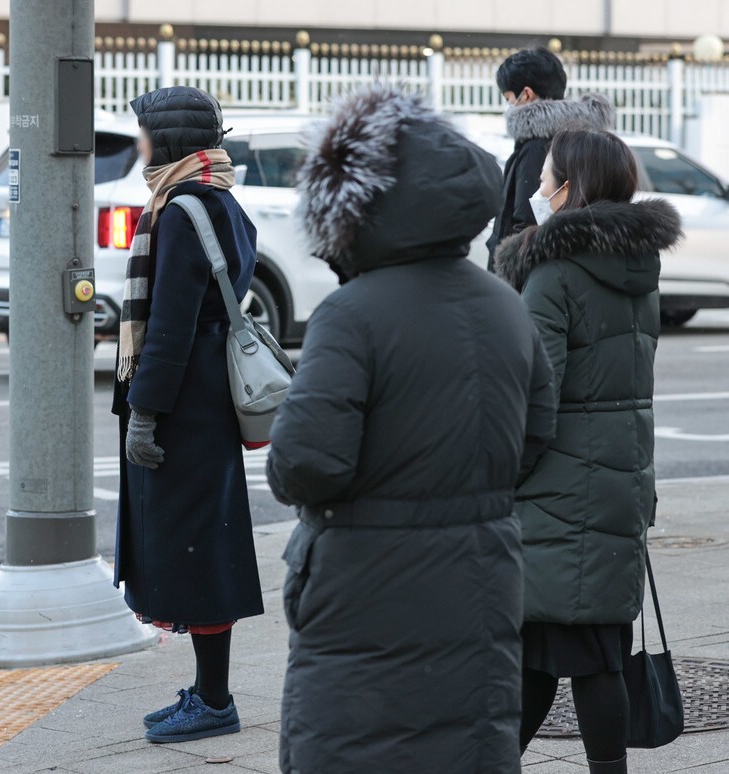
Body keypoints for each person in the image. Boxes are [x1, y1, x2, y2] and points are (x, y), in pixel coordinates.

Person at [266, 85, 558, 774]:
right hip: (482, 569)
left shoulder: (351, 313)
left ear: (351, 208)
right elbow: (538, 430)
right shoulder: (503, 304)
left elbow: (306, 464)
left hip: (365, 581)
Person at [494, 130, 683, 773]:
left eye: (545, 177)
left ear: (570, 188)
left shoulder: (551, 273)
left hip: (556, 490)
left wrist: (500, 479)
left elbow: (533, 400)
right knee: (595, 652)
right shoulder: (638, 269)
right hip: (617, 484)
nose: (535, 190)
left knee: (536, 658)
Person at [111, 85, 264, 745]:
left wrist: (145, 413)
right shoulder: (222, 199)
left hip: (184, 407)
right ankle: (207, 691)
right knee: (203, 545)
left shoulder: (180, 209)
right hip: (207, 401)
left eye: (146, 133)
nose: (141, 143)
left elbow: (170, 325)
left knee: (192, 553)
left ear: (168, 140)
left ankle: (215, 701)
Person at [486, 47, 615, 269]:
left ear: (526, 94)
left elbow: (525, 221)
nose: (507, 106)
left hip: (525, 274)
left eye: (508, 98)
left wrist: (508, 271)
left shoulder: (536, 146)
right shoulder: (581, 140)